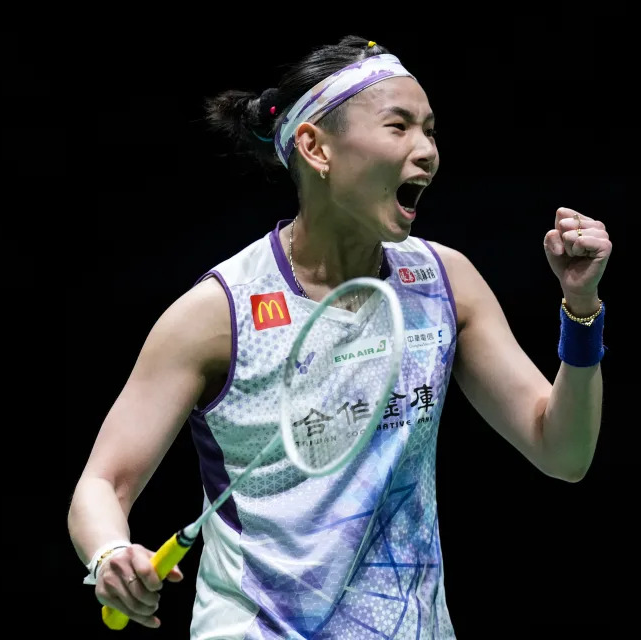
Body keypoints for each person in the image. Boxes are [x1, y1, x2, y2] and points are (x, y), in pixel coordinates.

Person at [67, 35, 611, 639]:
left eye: (430, 130)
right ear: (314, 147)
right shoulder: (220, 312)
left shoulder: (441, 281)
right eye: (398, 126)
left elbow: (562, 452)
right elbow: (103, 483)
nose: (426, 151)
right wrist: (111, 554)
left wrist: (580, 308)